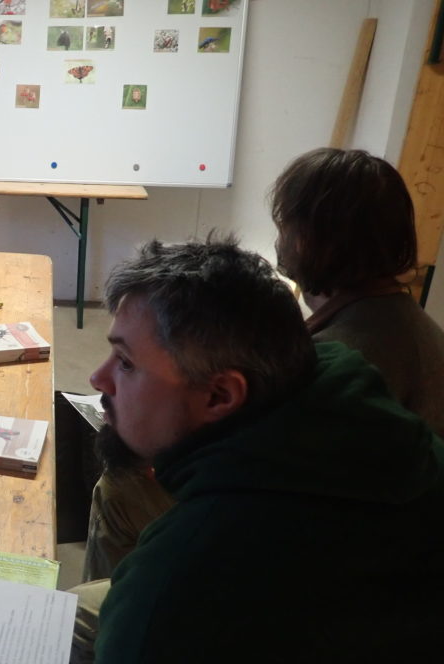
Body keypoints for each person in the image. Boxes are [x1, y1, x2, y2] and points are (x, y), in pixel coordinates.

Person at [70, 237, 444, 664]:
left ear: (220, 396)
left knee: (66, 617)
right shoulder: (340, 400)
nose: (98, 378)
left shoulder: (173, 594)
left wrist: (136, 613)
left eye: (126, 362)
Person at [271, 146, 444, 436]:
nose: (281, 237)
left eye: (285, 224)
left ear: (309, 237)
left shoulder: (338, 360)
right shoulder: (405, 320)